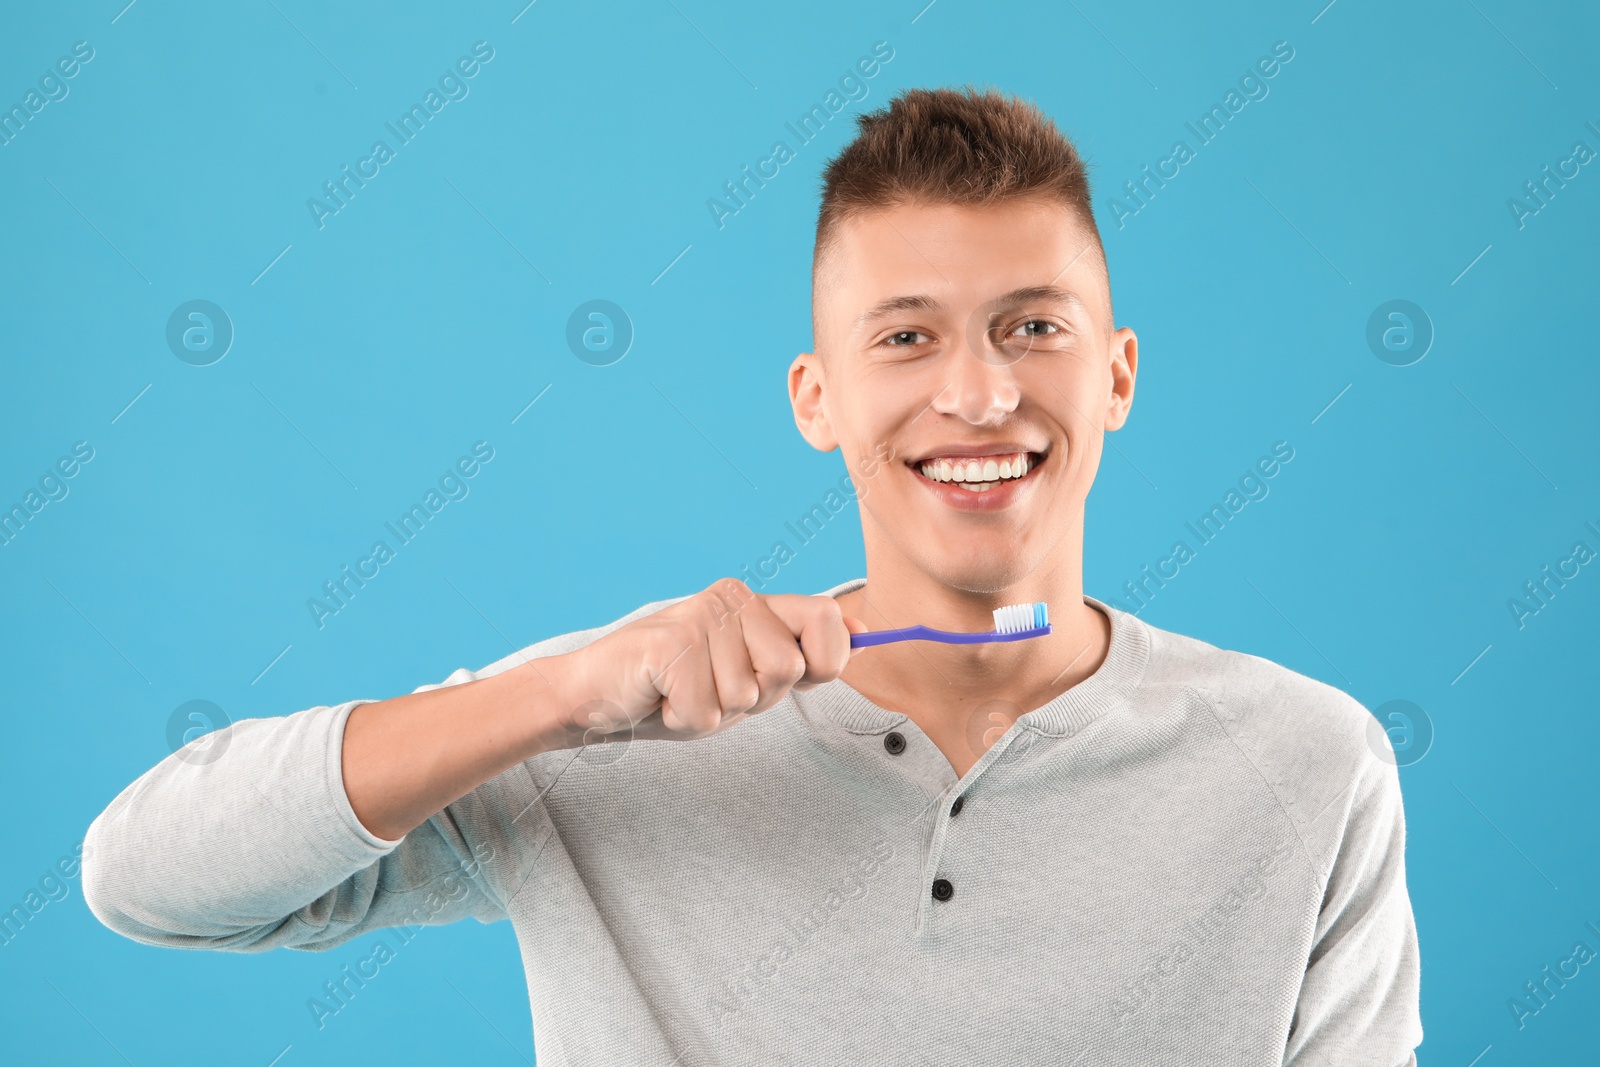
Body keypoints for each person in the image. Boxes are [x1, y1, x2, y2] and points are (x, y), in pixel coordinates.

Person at [83, 86, 1422, 1065]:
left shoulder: (1310, 766)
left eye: (1033, 327)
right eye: (907, 338)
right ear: (817, 399)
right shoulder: (607, 724)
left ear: (1116, 372)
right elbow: (144, 875)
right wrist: (560, 696)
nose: (977, 391)